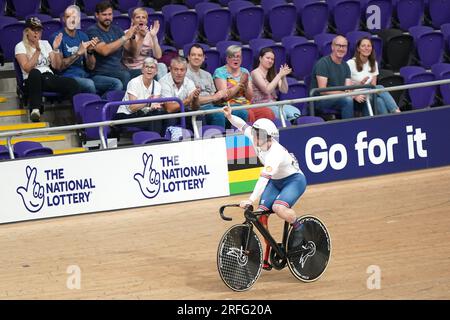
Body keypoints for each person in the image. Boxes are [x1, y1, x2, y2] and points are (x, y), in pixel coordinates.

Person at [222, 103, 307, 271]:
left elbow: (262, 180)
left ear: (269, 138)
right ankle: (268, 255)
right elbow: (242, 125)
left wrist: (250, 199)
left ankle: (299, 227)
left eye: (258, 136)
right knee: (261, 216)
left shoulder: (275, 153)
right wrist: (229, 116)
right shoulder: (256, 136)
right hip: (276, 182)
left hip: (294, 180)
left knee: (278, 208)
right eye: (254, 135)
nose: (254, 138)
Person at [15, 17, 80, 122]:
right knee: (35, 72)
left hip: (47, 78)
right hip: (31, 80)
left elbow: (56, 66)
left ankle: (79, 115)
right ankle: (35, 110)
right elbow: (27, 68)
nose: (36, 33)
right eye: (33, 30)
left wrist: (55, 49)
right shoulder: (20, 46)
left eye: (39, 30)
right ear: (27, 31)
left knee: (72, 83)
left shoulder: (45, 43)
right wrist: (37, 51)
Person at [50, 4, 122, 95]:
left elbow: (90, 66)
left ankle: (100, 105)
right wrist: (77, 54)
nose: (72, 20)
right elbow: (59, 67)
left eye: (75, 17)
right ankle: (91, 107)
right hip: (67, 77)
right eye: (68, 17)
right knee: (89, 84)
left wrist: (90, 51)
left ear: (79, 19)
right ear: (64, 19)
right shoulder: (57, 37)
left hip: (86, 75)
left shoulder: (83, 36)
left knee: (116, 83)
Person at [86, 0, 137, 90]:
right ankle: (123, 103)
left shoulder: (117, 30)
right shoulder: (92, 31)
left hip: (119, 70)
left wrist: (132, 37)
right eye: (104, 15)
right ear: (97, 15)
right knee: (124, 76)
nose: (108, 17)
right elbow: (104, 51)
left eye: (110, 14)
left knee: (144, 73)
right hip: (100, 72)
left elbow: (132, 52)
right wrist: (125, 38)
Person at [347, 37, 401, 114]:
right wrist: (355, 96)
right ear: (358, 49)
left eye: (369, 46)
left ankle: (388, 121)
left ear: (372, 49)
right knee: (380, 87)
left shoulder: (373, 63)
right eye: (363, 46)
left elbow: (373, 86)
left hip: (369, 94)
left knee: (379, 101)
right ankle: (396, 111)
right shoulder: (350, 63)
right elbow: (345, 87)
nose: (366, 48)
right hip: (356, 97)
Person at [114, 57, 165, 135]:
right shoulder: (134, 82)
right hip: (126, 115)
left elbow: (153, 105)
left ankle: (158, 140)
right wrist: (146, 102)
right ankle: (154, 142)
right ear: (142, 70)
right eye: (146, 67)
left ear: (156, 71)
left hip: (143, 114)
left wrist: (155, 106)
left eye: (152, 67)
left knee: (161, 116)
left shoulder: (157, 85)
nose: (149, 69)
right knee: (152, 121)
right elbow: (132, 107)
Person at [251, 47, 301, 123]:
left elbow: (284, 90)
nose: (270, 61)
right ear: (260, 58)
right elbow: (267, 90)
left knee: (295, 112)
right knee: (282, 115)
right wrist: (279, 75)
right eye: (268, 58)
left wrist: (283, 77)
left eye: (272, 59)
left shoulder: (273, 74)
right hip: (260, 106)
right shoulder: (255, 73)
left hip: (274, 103)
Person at [310, 35, 355, 119]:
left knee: (365, 99)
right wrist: (346, 93)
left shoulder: (345, 65)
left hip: (339, 97)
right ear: (332, 47)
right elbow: (323, 91)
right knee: (348, 100)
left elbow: (347, 88)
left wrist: (354, 93)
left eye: (344, 46)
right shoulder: (323, 63)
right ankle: (349, 128)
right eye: (338, 45)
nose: (341, 49)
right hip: (321, 100)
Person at [185, 44, 228, 126]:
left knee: (237, 111)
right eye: (193, 55)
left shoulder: (207, 75)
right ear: (188, 57)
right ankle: (218, 138)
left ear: (203, 58)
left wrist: (222, 95)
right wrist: (214, 97)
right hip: (195, 109)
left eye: (199, 55)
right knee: (219, 114)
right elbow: (190, 100)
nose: (196, 57)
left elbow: (215, 98)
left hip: (211, 107)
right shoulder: (183, 74)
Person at [122, 7, 167, 80]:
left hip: (147, 66)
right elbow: (134, 56)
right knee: (150, 71)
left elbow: (158, 56)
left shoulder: (150, 34)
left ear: (146, 21)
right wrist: (141, 38)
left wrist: (154, 37)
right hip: (133, 69)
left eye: (143, 17)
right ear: (133, 20)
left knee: (162, 66)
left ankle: (161, 89)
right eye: (138, 17)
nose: (141, 19)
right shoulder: (127, 34)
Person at [213, 45, 252, 127]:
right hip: (229, 106)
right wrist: (240, 84)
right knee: (247, 113)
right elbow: (225, 96)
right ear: (227, 59)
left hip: (247, 104)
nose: (236, 59)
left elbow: (250, 97)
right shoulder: (220, 72)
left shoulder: (245, 71)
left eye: (238, 57)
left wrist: (247, 83)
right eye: (232, 56)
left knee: (267, 111)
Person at [159, 56, 201, 129]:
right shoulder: (163, 82)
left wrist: (195, 98)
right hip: (167, 114)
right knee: (171, 118)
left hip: (183, 111)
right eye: (176, 69)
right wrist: (188, 100)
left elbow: (195, 107)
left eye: (182, 70)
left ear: (186, 71)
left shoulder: (189, 82)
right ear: (170, 69)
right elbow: (169, 108)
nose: (179, 73)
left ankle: (200, 138)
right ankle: (172, 140)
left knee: (198, 115)